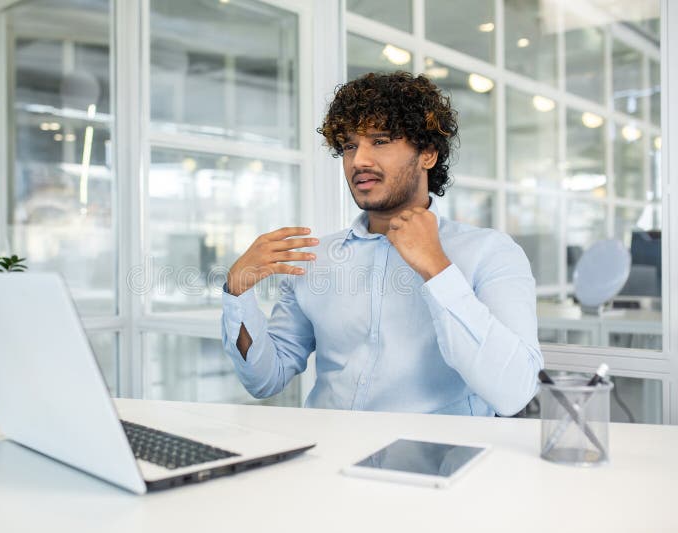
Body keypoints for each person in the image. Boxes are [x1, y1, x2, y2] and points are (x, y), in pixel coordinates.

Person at [221, 71, 542, 416]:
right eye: (349, 146)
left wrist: (436, 268)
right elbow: (266, 379)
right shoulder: (314, 259)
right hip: (328, 458)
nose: (359, 160)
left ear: (428, 154)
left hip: (436, 462)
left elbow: (515, 391)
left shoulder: (490, 253)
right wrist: (237, 291)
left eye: (381, 140)